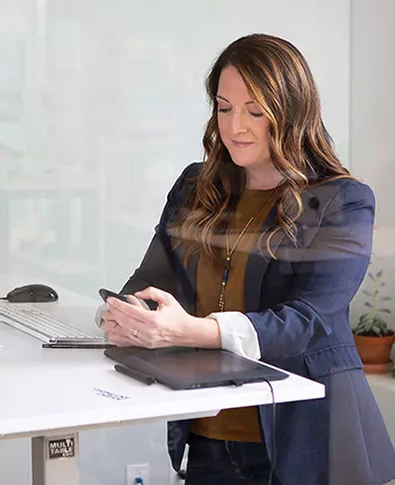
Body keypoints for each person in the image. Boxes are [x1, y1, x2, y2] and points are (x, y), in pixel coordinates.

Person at [98, 33, 395, 485]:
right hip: (209, 440)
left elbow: (306, 320)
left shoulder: (343, 201)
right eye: (224, 108)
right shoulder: (195, 187)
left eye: (255, 111)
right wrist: (126, 314)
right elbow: (151, 279)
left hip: (312, 444)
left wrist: (190, 330)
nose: (235, 127)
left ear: (291, 111)